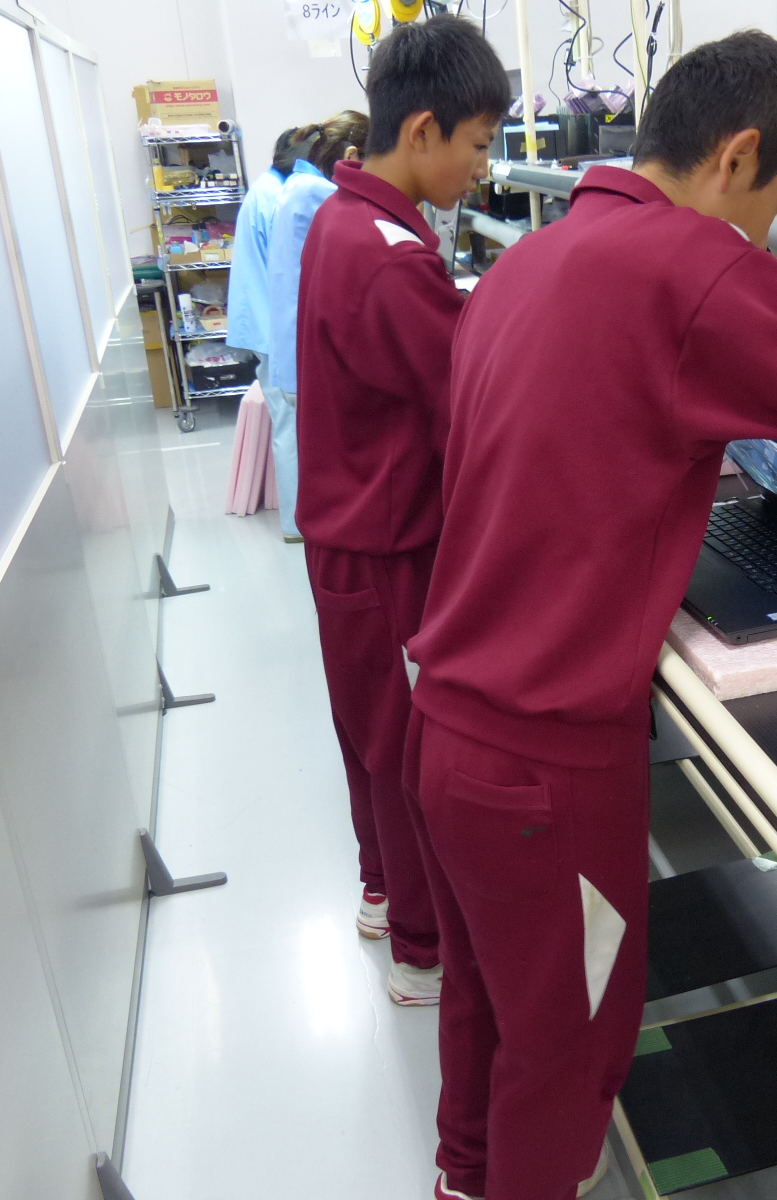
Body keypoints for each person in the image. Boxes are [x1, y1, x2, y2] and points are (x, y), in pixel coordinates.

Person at [405, 32, 777, 1200]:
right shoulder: (692, 269)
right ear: (735, 157)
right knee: (568, 1050)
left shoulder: (534, 258)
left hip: (451, 729)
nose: (767, 239)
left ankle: (463, 1180)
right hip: (545, 770)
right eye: (776, 207)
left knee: (488, 1003)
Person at [294, 18, 507, 1009]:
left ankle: (382, 890)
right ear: (423, 130)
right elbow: (467, 398)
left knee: (366, 734)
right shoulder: (387, 257)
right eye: (478, 144)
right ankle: (422, 954)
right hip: (385, 546)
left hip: (347, 534)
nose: (483, 168)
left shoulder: (348, 221)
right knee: (404, 749)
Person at [264, 109, 369, 542]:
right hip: (304, 351)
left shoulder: (297, 186)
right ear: (352, 155)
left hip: (292, 346)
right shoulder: (319, 193)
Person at [225, 127, 299, 525]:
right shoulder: (277, 198)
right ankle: (295, 524)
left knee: (288, 423)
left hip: (264, 322)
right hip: (272, 327)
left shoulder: (267, 189)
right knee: (290, 426)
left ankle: (296, 519)